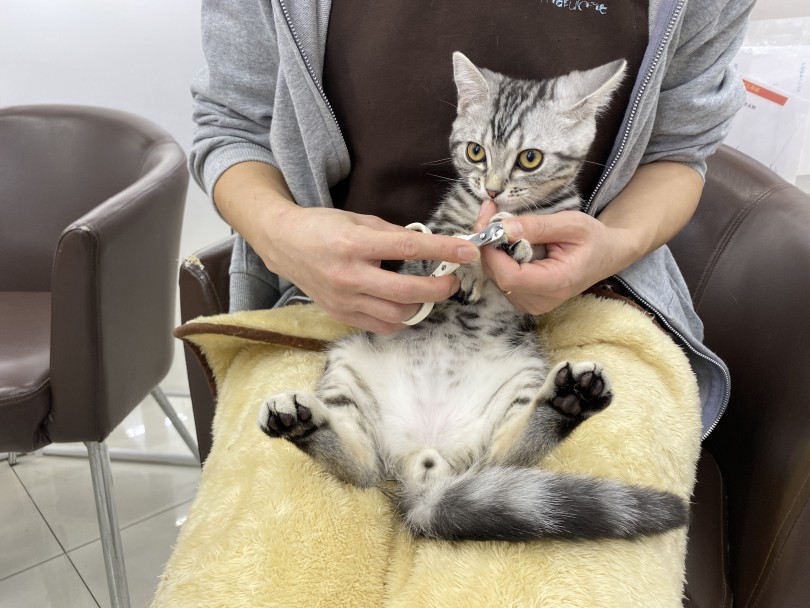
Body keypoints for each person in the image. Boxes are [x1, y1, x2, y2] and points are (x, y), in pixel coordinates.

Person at [189, 0, 755, 437]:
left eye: (527, 160)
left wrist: (616, 242)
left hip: (593, 294)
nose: (493, 187)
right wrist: (278, 233)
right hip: (328, 302)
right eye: (483, 161)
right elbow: (233, 127)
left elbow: (679, 149)